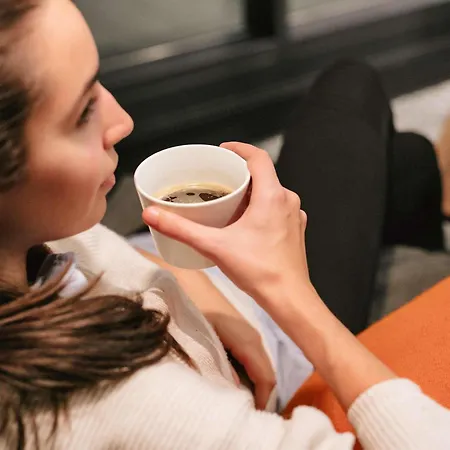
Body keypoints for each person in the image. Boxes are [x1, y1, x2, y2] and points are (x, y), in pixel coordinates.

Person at [0, 2, 449, 450]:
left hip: (210, 288)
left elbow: (91, 244)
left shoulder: (28, 232)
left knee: (405, 159)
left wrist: (186, 283)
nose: (122, 121)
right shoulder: (126, 404)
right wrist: (290, 292)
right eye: (83, 112)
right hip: (282, 333)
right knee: (353, 87)